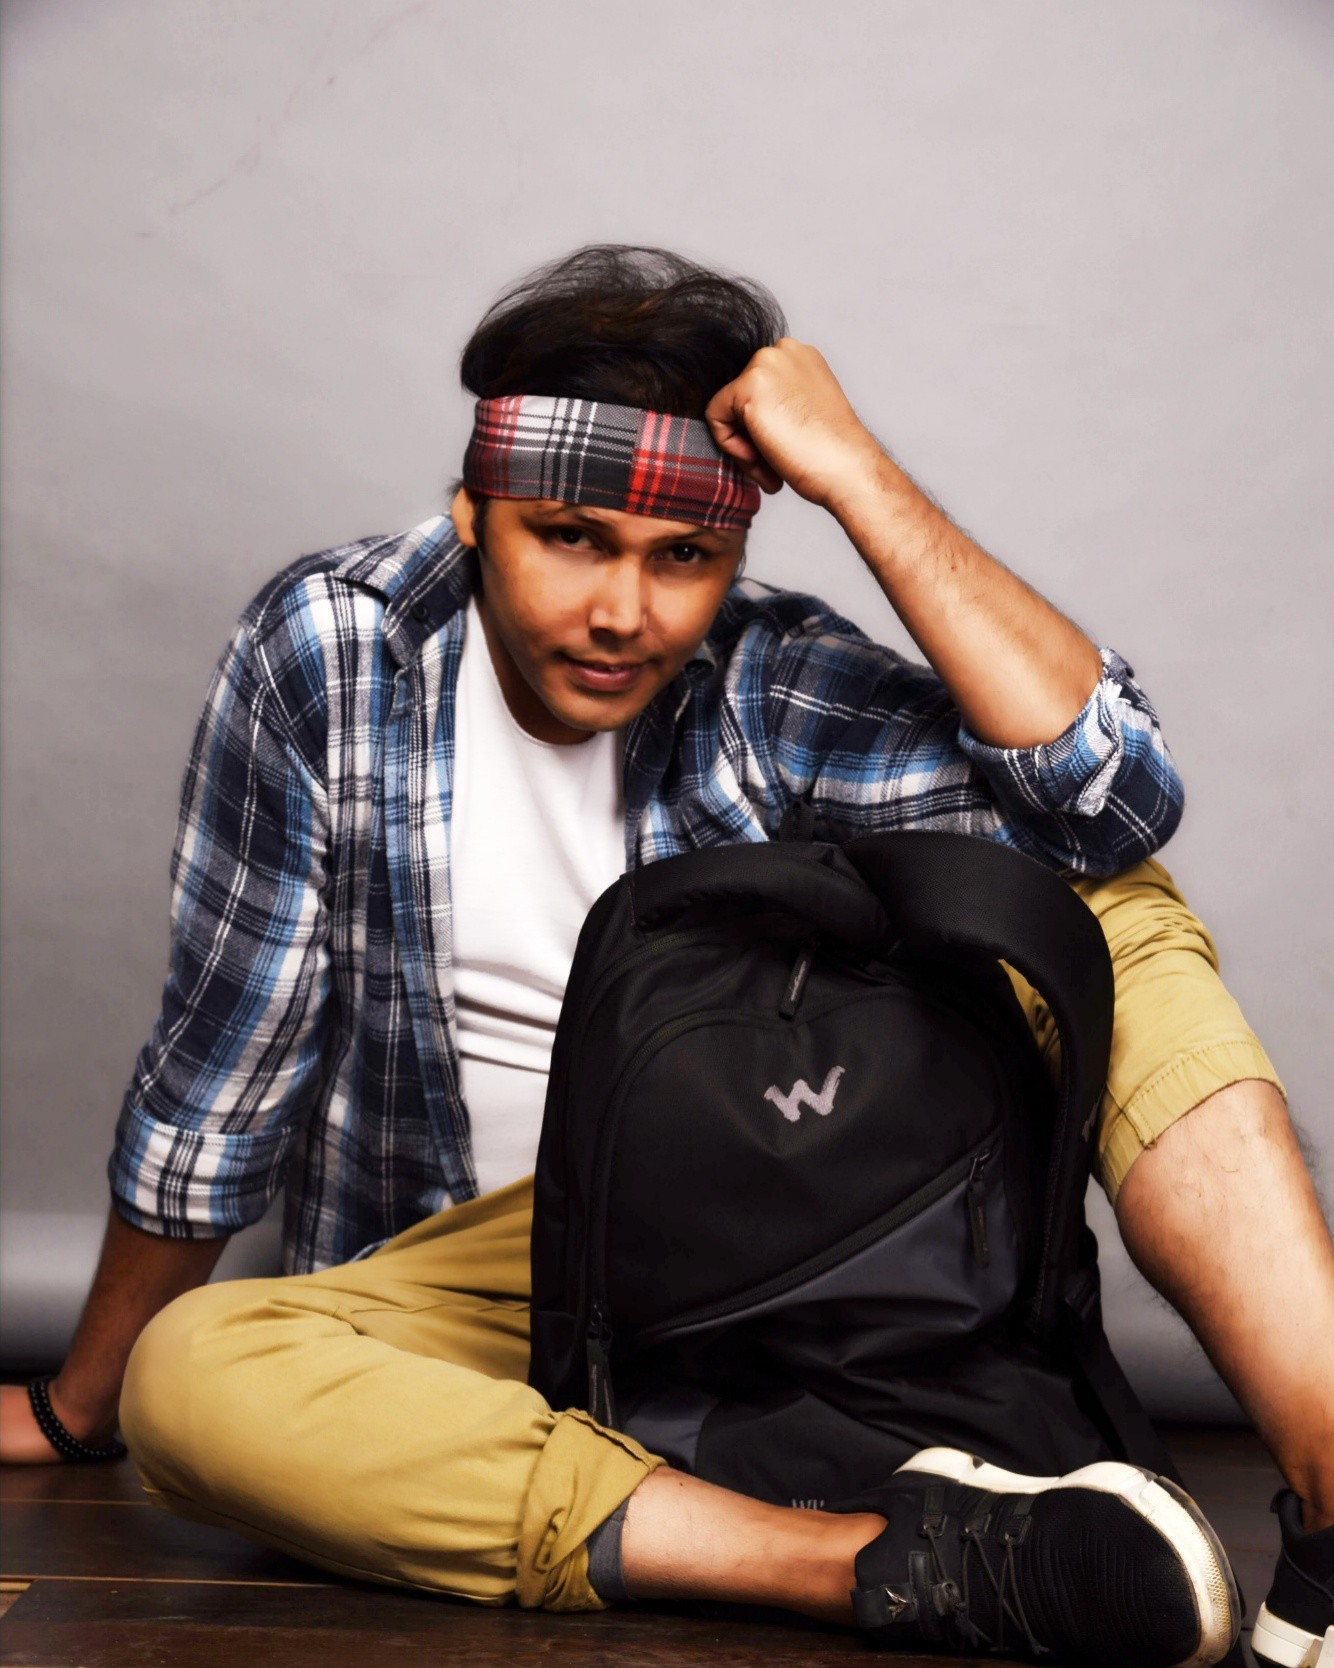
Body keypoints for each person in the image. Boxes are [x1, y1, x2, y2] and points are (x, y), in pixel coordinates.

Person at [3, 246, 1330, 1664]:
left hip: (766, 1225)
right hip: (491, 1282)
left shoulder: (762, 679)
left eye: (683, 556)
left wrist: (859, 476)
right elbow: (228, 1069)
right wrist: (87, 1406)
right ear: (473, 511)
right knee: (190, 1378)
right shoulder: (335, 654)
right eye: (570, 537)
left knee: (1104, 903)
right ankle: (888, 1558)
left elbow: (1108, 803)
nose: (624, 613)